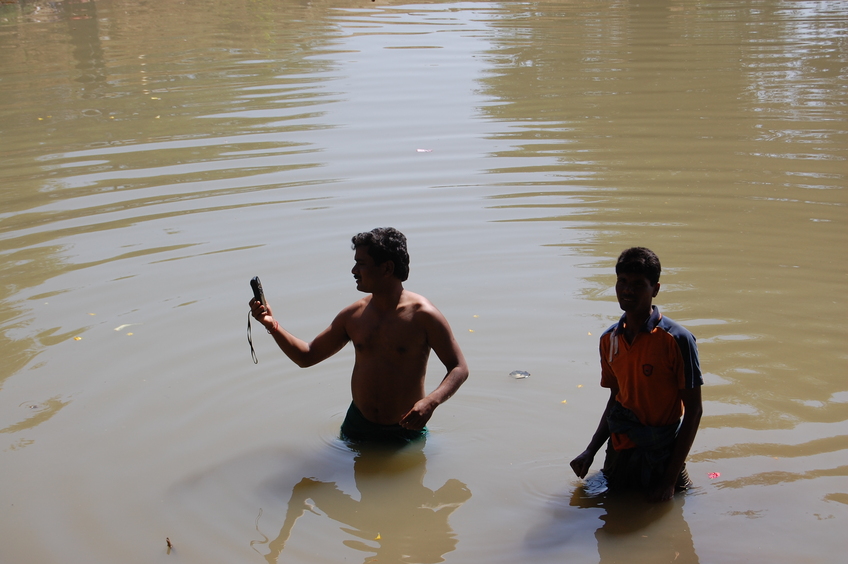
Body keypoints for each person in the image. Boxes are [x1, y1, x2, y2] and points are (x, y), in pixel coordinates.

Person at [249, 227, 469, 444]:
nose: (354, 270)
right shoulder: (353, 316)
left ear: (387, 268)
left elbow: (459, 368)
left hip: (406, 428)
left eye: (361, 264)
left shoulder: (423, 316)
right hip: (357, 425)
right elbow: (306, 356)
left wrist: (431, 402)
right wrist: (272, 325)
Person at [570, 247, 703, 502]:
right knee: (605, 520)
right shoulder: (609, 339)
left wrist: (669, 480)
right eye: (622, 282)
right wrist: (590, 451)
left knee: (671, 515)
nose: (627, 290)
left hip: (662, 456)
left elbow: (694, 410)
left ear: (655, 289)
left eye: (638, 284)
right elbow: (617, 401)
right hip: (619, 452)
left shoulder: (677, 340)